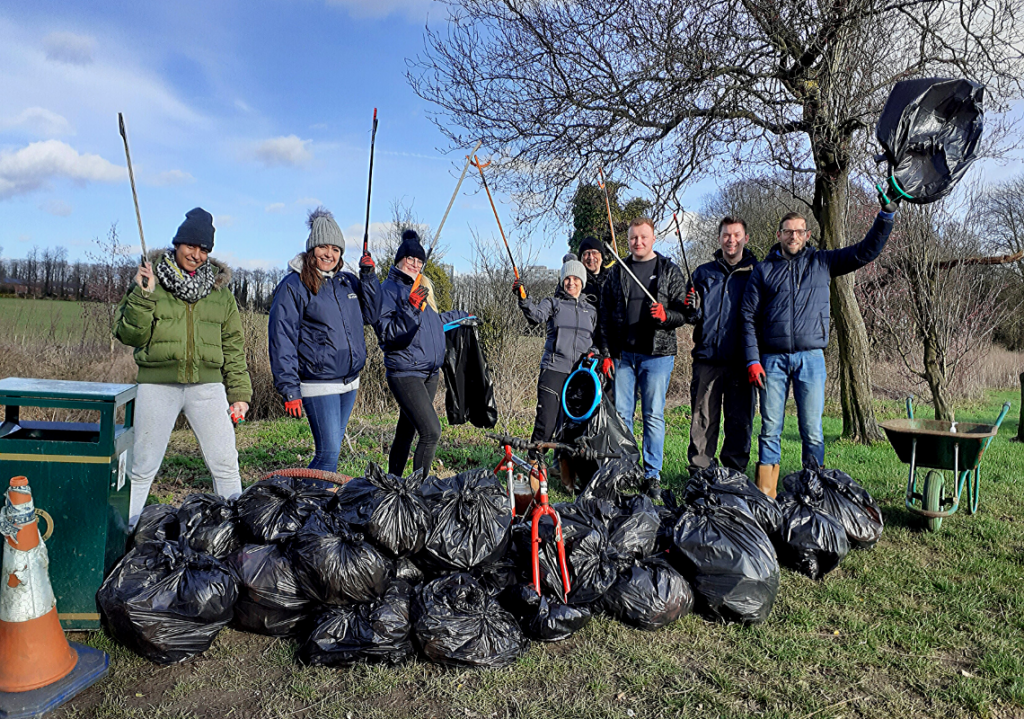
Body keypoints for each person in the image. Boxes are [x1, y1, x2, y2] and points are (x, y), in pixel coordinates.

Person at [741, 194, 899, 497]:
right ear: (779, 235)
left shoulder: (822, 262)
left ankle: (813, 491)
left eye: (799, 231)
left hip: (811, 359)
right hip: (771, 360)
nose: (793, 236)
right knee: (770, 429)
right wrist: (752, 360)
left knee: (811, 429)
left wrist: (886, 216)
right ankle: (766, 496)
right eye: (787, 231)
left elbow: (865, 252)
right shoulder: (763, 270)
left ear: (807, 235)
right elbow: (747, 317)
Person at [114, 208, 251, 528]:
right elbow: (127, 334)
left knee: (226, 463)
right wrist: (142, 296)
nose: (197, 254)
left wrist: (240, 392)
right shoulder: (150, 281)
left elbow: (233, 345)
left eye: (204, 249)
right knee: (143, 465)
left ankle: (238, 532)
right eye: (191, 246)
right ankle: (124, 533)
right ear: (177, 244)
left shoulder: (221, 294)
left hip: (207, 387)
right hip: (157, 385)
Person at [268, 207, 380, 473]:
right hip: (318, 383)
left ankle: (310, 504)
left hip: (349, 382)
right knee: (328, 455)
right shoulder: (294, 286)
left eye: (336, 249)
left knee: (332, 452)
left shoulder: (347, 282)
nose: (329, 254)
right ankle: (304, 506)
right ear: (311, 249)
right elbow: (281, 337)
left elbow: (373, 314)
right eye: (323, 247)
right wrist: (290, 388)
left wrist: (368, 277)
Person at [599, 217, 688, 494]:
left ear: (653, 239)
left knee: (653, 414)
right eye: (633, 238)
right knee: (623, 415)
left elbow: (683, 313)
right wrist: (606, 353)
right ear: (627, 241)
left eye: (643, 237)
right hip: (624, 355)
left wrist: (666, 316)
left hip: (657, 354)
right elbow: (604, 315)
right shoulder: (617, 272)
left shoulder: (669, 271)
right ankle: (626, 469)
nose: (638, 242)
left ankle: (652, 475)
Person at [375, 230, 468, 476]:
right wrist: (412, 307)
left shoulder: (420, 287)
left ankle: (392, 483)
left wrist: (461, 316)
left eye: (419, 261)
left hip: (429, 372)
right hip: (406, 372)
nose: (415, 265)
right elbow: (389, 335)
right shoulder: (388, 290)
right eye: (410, 259)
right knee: (431, 431)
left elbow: (434, 323)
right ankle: (419, 491)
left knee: (407, 430)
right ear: (399, 260)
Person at [683, 216, 758, 477]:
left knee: (739, 420)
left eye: (736, 235)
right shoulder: (703, 273)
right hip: (707, 359)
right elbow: (692, 317)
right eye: (726, 235)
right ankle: (700, 474)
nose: (731, 240)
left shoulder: (756, 271)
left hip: (741, 360)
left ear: (745, 238)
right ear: (719, 239)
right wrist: (690, 307)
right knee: (703, 420)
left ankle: (734, 475)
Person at [514, 254, 601, 467]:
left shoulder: (591, 310)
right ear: (562, 281)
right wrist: (524, 299)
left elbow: (595, 340)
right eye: (567, 279)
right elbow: (534, 316)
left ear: (582, 281)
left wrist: (596, 352)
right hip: (554, 369)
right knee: (546, 424)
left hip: (579, 375)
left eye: (575, 279)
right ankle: (534, 466)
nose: (571, 283)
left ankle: (563, 473)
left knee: (571, 427)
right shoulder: (553, 303)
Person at [578, 236, 607, 310]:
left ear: (602, 256)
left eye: (594, 252)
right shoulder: (575, 280)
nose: (591, 257)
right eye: (586, 253)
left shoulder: (613, 278)